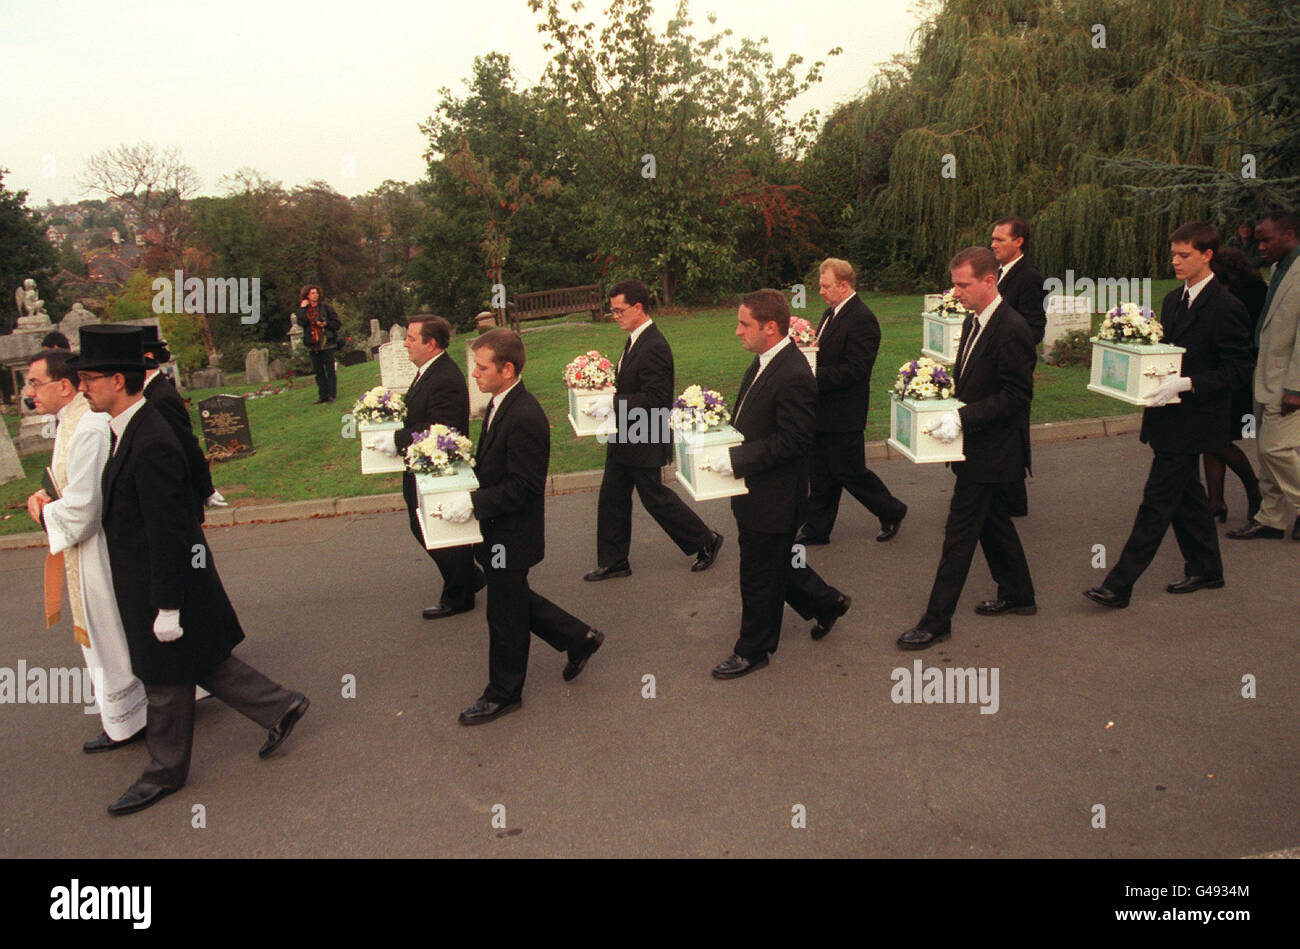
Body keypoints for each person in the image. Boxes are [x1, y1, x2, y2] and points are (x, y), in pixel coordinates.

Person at [72, 325, 309, 816]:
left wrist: (167, 606)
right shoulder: (130, 430)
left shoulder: (150, 438)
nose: (83, 387)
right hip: (166, 582)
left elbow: (170, 531)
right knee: (202, 661)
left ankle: (163, 773)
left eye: (90, 378)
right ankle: (280, 705)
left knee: (165, 680)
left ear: (119, 380)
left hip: (168, 583)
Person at [440, 329, 605, 724]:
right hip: (496, 533)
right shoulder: (501, 403)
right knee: (511, 599)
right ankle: (577, 638)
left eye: (482, 367)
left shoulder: (525, 415)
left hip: (511, 536)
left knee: (504, 615)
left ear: (507, 369)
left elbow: (524, 486)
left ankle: (504, 692)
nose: (474, 375)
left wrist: (472, 503)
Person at [1085, 222, 1252, 608]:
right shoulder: (1173, 299)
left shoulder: (1228, 307)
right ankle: (1207, 569)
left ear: (1207, 256)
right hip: (1167, 417)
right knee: (1187, 496)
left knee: (1157, 501)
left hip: (1197, 420)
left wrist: (1187, 383)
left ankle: (1119, 584)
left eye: (1184, 255)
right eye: (1173, 254)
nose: (1175, 261)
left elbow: (1239, 369)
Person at [704, 290, 851, 679]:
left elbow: (794, 440)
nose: (737, 332)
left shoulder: (793, 373)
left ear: (770, 327)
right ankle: (828, 603)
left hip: (775, 496)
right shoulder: (765, 361)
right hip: (756, 491)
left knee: (757, 573)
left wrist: (736, 459)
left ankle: (753, 649)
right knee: (776, 563)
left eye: (743, 324)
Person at [900, 247, 1036, 650]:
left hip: (993, 452)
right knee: (994, 524)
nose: (955, 292)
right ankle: (1019, 594)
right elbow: (975, 382)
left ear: (989, 281)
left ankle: (936, 620)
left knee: (959, 535)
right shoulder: (976, 321)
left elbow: (1016, 397)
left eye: (963, 284)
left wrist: (962, 418)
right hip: (976, 447)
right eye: (954, 283)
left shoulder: (1011, 328)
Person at [24, 350, 148, 752]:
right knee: (106, 635)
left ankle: (135, 718)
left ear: (63, 385)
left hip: (100, 550)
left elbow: (85, 508)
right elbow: (70, 485)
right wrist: (51, 495)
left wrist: (45, 513)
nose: (28, 393)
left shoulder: (88, 426)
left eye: (34, 383)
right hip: (86, 551)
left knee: (111, 632)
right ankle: (126, 718)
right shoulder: (68, 422)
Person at [583, 278, 723, 581]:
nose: (615, 316)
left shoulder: (654, 345)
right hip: (627, 431)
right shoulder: (635, 338)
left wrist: (613, 403)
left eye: (619, 311)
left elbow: (657, 399)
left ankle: (706, 539)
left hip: (645, 432)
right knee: (612, 496)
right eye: (613, 312)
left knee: (654, 497)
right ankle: (614, 560)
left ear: (638, 307)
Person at [372, 315, 485, 619]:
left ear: (431, 343)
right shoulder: (429, 371)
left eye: (411, 338)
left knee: (435, 526)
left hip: (438, 466)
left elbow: (439, 426)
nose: (406, 344)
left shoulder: (444, 376)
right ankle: (468, 579)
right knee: (423, 524)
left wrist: (395, 439)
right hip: (423, 463)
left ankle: (460, 593)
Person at [795, 259, 907, 546]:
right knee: (820, 471)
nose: (820, 291)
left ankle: (892, 510)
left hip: (845, 412)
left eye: (825, 286)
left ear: (844, 286)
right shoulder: (832, 312)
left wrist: (812, 377)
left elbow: (857, 369)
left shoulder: (862, 319)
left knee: (849, 471)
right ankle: (817, 529)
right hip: (824, 410)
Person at [1228, 210, 1300, 541]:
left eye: (1266, 239)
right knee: (1264, 451)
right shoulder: (1279, 269)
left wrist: (1295, 387)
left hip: (1288, 381)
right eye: (1258, 240)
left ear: (1289, 234)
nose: (1260, 247)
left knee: (1275, 449)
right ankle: (1271, 518)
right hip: (1266, 377)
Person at [1203, 246, 1267, 522]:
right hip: (1214, 373)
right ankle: (1215, 501)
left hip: (1237, 374)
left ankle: (1253, 490)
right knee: (1212, 438)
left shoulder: (1253, 294)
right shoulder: (1225, 292)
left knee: (1217, 438)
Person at [138, 326, 226, 517]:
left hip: (178, 495)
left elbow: (186, 443)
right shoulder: (150, 392)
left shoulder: (161, 397)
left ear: (148, 356)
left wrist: (206, 489)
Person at [991, 215, 1046, 518]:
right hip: (992, 364)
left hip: (1013, 367)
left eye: (1000, 239)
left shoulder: (1028, 277)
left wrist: (1006, 340)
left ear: (1018, 241)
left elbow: (1035, 327)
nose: (993, 244)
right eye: (994, 238)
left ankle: (1013, 501)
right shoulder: (997, 273)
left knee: (1013, 431)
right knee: (1002, 433)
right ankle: (1008, 498)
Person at [293, 285, 341, 404]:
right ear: (307, 296)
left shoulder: (326, 308)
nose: (316, 295)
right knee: (319, 372)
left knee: (330, 370)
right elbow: (302, 322)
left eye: (316, 293)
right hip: (313, 344)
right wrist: (302, 309)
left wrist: (325, 324)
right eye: (313, 293)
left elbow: (337, 323)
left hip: (327, 342)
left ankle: (331, 395)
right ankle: (322, 395)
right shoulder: (304, 311)